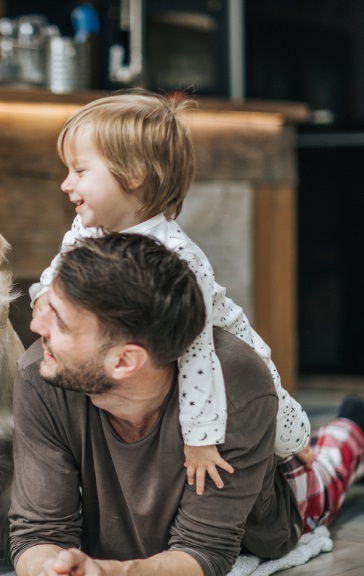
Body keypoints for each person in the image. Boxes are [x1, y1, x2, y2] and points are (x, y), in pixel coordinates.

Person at [10, 232, 364, 576]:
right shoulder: (43, 372)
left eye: (60, 322)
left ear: (125, 361)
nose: (37, 327)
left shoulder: (238, 387)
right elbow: (38, 533)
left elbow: (204, 552)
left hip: (259, 517)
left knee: (329, 464)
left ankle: (353, 423)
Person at [29, 91, 313, 495]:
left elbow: (198, 355)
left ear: (134, 174)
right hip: (163, 353)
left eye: (79, 171)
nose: (65, 183)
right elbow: (56, 274)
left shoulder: (179, 257)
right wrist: (44, 298)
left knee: (285, 436)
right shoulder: (85, 232)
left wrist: (200, 441)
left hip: (223, 347)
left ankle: (312, 448)